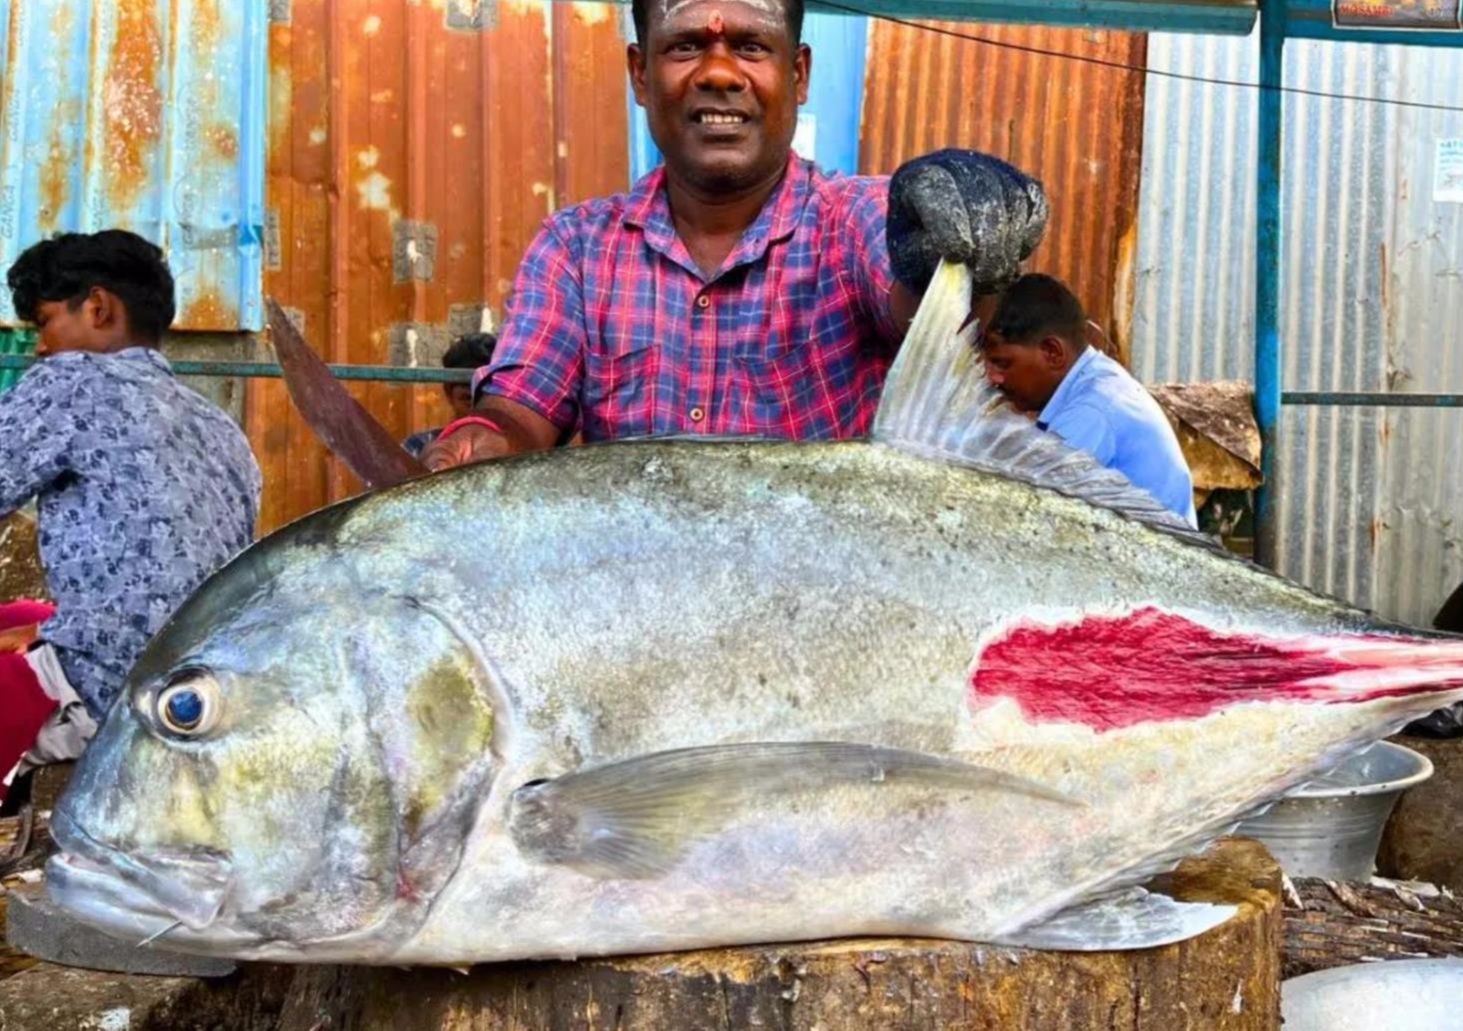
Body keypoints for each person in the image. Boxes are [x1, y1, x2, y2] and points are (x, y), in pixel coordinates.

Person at [423, 0, 1048, 468]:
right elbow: (522, 407)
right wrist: (482, 441)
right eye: (685, 46)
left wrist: (963, 255)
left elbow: (920, 309)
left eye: (750, 47)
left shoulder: (856, 218)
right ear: (640, 75)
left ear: (798, 75)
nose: (719, 73)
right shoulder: (576, 248)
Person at [0, 230, 261, 799]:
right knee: (21, 612)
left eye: (44, 323)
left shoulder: (71, 380)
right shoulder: (219, 426)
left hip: (105, 683)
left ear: (97, 307)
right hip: (199, 682)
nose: (40, 347)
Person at [979, 273, 1196, 525]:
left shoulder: (1092, 411)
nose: (993, 378)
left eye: (1002, 363)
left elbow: (1030, 513)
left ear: (1052, 352)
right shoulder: (1094, 381)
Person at [402, 332, 498, 458]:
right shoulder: (417, 447)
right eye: (468, 399)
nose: (477, 411)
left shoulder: (520, 453)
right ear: (448, 392)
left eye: (487, 399)